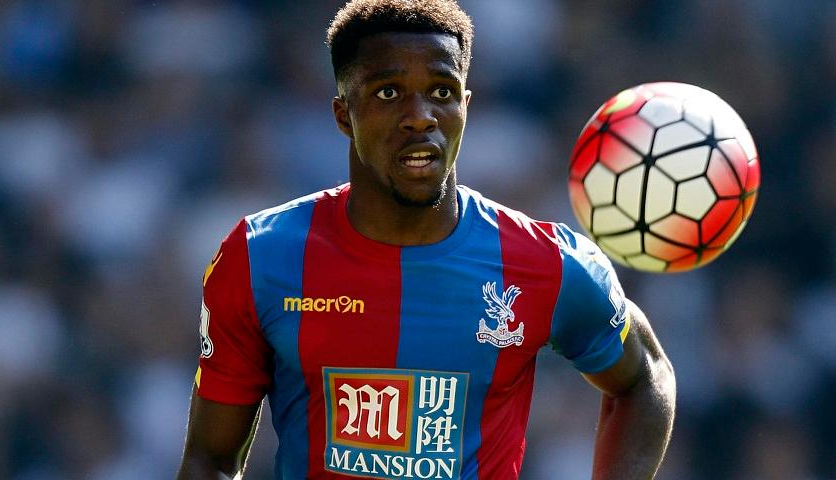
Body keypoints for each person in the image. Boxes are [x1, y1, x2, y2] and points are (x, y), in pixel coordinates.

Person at [177, 0, 676, 478]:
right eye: (388, 93)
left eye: (441, 91)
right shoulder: (260, 257)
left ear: (465, 106)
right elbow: (210, 461)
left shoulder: (547, 263)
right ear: (343, 114)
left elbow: (646, 377)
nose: (420, 116)